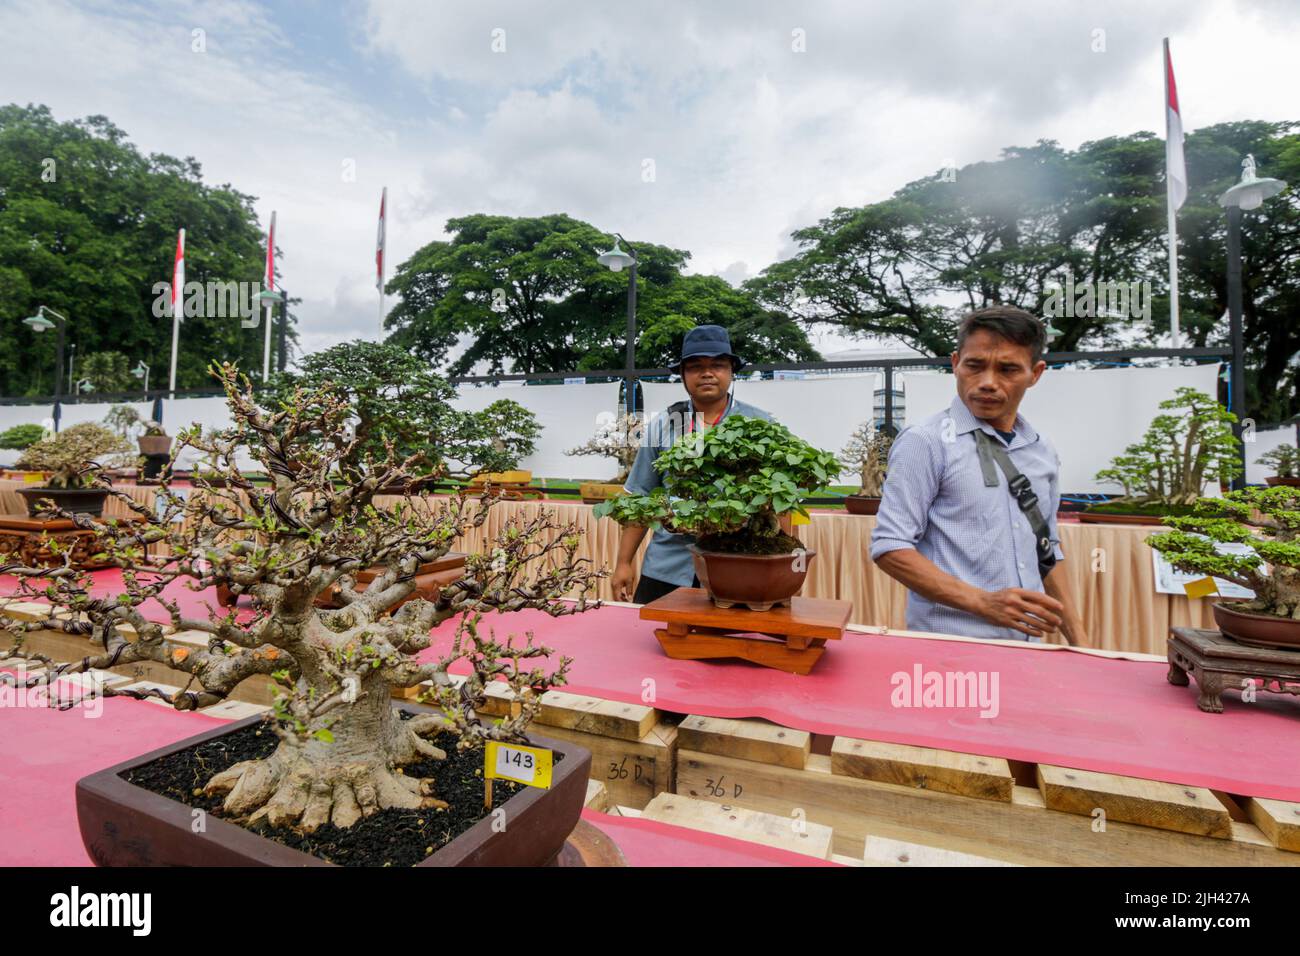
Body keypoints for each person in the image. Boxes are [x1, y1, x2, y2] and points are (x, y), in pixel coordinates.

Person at [870, 305, 1086, 645]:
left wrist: (1082, 642)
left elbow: (1048, 550)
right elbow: (891, 546)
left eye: (1008, 369)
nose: (988, 383)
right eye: (974, 365)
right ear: (956, 363)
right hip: (951, 648)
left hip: (1030, 650)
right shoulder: (924, 441)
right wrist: (983, 602)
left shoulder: (1041, 449)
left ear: (1035, 373)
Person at [611, 325, 774, 604]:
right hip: (668, 565)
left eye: (718, 365)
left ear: (732, 371)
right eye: (696, 366)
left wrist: (787, 562)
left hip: (739, 564)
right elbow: (641, 495)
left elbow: (779, 502)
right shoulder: (664, 424)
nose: (707, 373)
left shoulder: (760, 425)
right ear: (683, 375)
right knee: (650, 630)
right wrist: (623, 563)